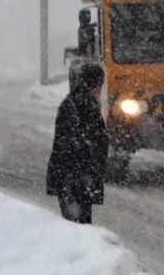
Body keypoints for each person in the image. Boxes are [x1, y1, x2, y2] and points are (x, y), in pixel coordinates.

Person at [46, 64, 108, 224]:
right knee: (78, 226)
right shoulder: (79, 106)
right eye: (98, 85)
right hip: (76, 180)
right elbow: (75, 143)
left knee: (79, 226)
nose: (100, 90)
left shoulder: (80, 104)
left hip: (76, 179)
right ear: (90, 84)